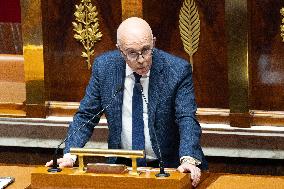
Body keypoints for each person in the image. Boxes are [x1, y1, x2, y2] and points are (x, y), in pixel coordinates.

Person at [46, 17, 208, 187]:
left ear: (153, 42)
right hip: (122, 168)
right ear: (120, 51)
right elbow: (86, 115)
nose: (141, 59)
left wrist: (188, 158)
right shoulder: (104, 68)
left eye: (146, 50)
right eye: (132, 53)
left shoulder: (176, 70)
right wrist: (69, 155)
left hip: (168, 167)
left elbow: (186, 118)